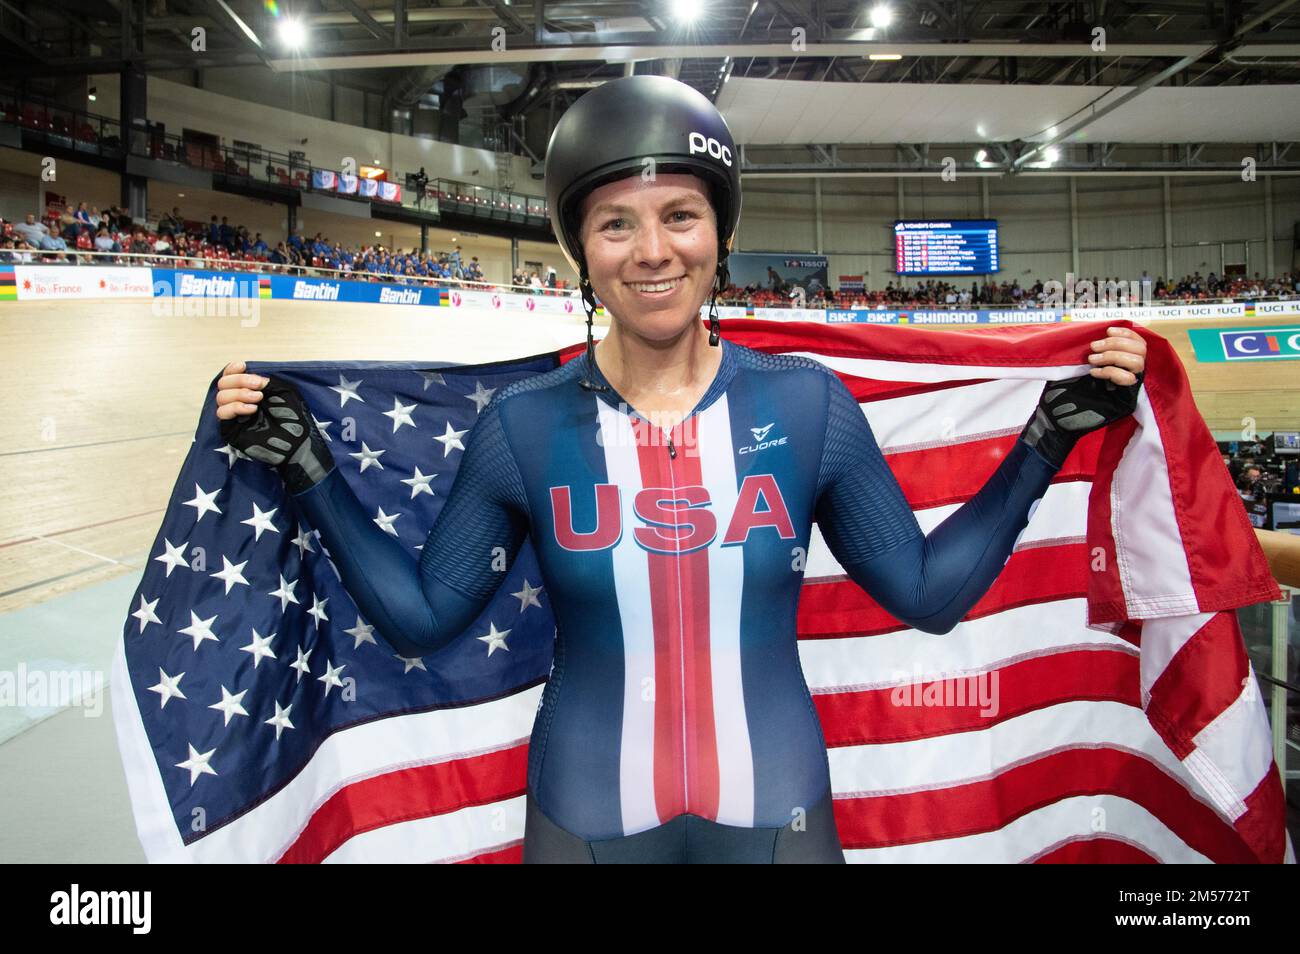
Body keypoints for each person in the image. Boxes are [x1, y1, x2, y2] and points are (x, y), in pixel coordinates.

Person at [213, 75, 1147, 864]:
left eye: (680, 216)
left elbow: (926, 593)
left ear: (722, 235)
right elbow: (422, 621)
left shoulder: (807, 406)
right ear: (581, 250)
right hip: (587, 816)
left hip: (774, 812)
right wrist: (310, 471)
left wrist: (1043, 445)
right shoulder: (522, 428)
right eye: (615, 223)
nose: (653, 251)